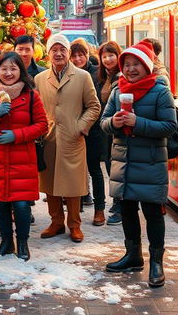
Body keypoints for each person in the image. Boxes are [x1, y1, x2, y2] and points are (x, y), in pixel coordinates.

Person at [101, 40, 177, 288]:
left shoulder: (160, 91)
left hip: (151, 162)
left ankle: (157, 262)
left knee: (153, 212)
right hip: (123, 160)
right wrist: (114, 122)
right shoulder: (117, 90)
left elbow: (169, 127)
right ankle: (133, 256)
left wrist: (137, 122)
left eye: (137, 64)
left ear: (147, 66)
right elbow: (103, 123)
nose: (131, 69)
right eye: (128, 64)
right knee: (127, 210)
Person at [0, 52, 48, 261]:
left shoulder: (31, 95)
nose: (8, 73)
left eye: (13, 69)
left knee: (22, 205)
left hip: (22, 159)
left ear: (20, 71)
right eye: (4, 69)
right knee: (0, 203)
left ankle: (22, 242)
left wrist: (16, 135)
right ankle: (6, 242)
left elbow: (42, 125)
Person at [35, 33, 101, 244]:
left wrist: (80, 128)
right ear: (48, 54)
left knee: (73, 184)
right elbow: (37, 108)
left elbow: (94, 106)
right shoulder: (40, 79)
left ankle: (74, 225)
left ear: (69, 53)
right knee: (50, 183)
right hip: (49, 138)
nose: (58, 53)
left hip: (73, 138)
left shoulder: (82, 76)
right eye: (54, 49)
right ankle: (56, 222)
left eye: (62, 49)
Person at [70, 38, 106, 226]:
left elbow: (96, 104)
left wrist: (86, 125)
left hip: (93, 130)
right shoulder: (69, 74)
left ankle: (100, 208)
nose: (77, 59)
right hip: (73, 130)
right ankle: (78, 205)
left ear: (86, 55)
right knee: (76, 170)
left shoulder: (96, 74)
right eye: (74, 55)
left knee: (94, 169)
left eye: (80, 55)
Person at [97, 40, 123, 225]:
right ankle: (116, 200)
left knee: (118, 167)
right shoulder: (102, 76)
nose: (107, 59)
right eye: (104, 56)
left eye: (111, 55)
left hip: (120, 128)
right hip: (106, 127)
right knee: (109, 165)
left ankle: (121, 206)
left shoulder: (123, 76)